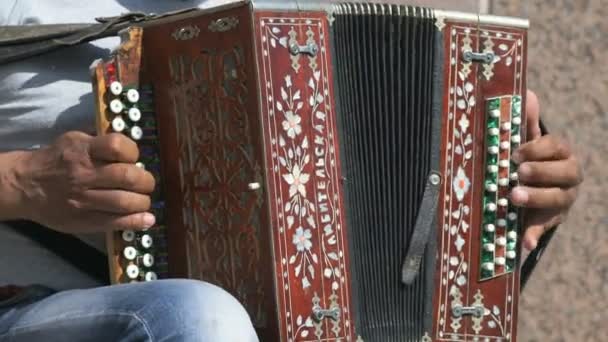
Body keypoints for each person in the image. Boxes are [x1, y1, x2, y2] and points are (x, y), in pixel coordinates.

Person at [0, 1, 583, 341]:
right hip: (29, 307)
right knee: (204, 319)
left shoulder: (296, 20)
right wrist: (22, 182)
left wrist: (517, 194)